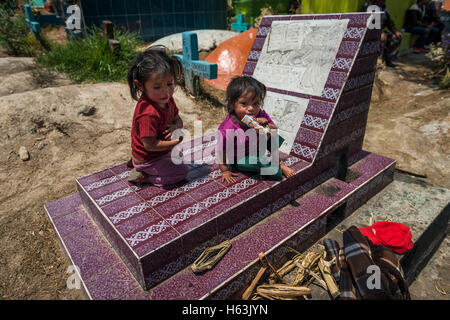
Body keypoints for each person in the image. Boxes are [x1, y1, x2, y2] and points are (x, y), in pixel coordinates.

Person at [126, 46, 188, 186]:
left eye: (169, 84)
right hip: (149, 156)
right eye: (157, 87)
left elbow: (177, 119)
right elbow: (150, 145)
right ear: (140, 86)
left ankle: (138, 162)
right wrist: (175, 142)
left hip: (158, 151)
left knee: (180, 155)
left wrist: (176, 127)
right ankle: (144, 175)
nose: (165, 92)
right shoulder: (148, 114)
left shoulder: (167, 100)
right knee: (181, 171)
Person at [217, 76, 296, 184]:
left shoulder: (260, 114)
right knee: (256, 163)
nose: (251, 108)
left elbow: (274, 130)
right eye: (244, 103)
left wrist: (265, 125)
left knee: (275, 138)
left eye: (256, 104)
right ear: (231, 103)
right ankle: (278, 169)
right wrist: (225, 170)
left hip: (258, 146)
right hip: (240, 157)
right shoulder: (228, 128)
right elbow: (222, 151)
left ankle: (279, 162)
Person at [363, 0, 403, 68]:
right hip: (370, 32)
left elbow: (389, 22)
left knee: (396, 38)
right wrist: (379, 32)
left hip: (381, 31)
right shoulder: (369, 6)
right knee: (381, 38)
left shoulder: (384, 8)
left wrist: (395, 31)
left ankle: (387, 59)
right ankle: (376, 63)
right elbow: (370, 23)